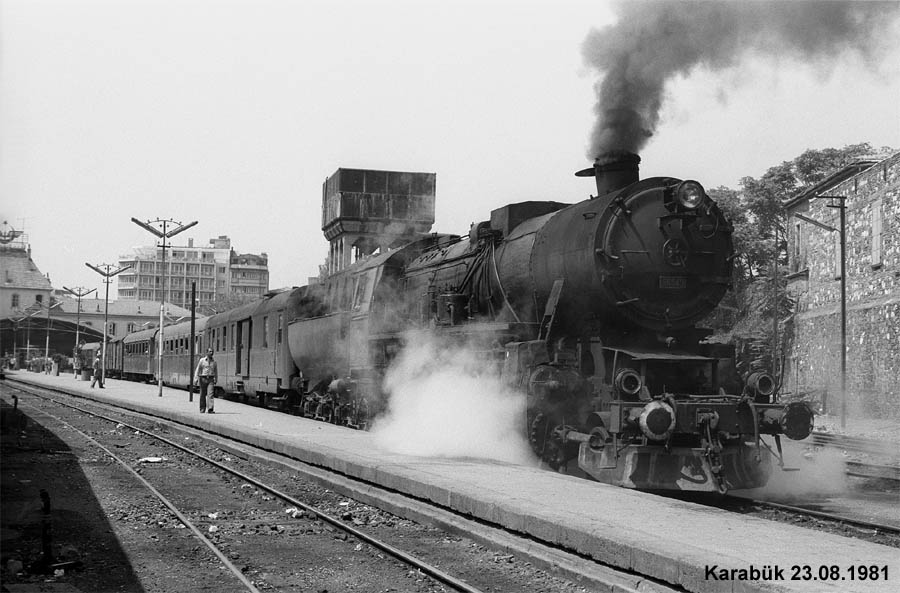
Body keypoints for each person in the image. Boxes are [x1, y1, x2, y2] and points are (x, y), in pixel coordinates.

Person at [194, 348, 218, 413]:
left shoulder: (214, 362)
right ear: (207, 352)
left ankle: (210, 409)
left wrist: (216, 379)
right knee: (202, 394)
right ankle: (202, 408)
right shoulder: (202, 360)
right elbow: (198, 369)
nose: (211, 353)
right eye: (210, 351)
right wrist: (195, 379)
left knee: (210, 394)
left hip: (211, 379)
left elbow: (215, 371)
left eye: (212, 351)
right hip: (203, 378)